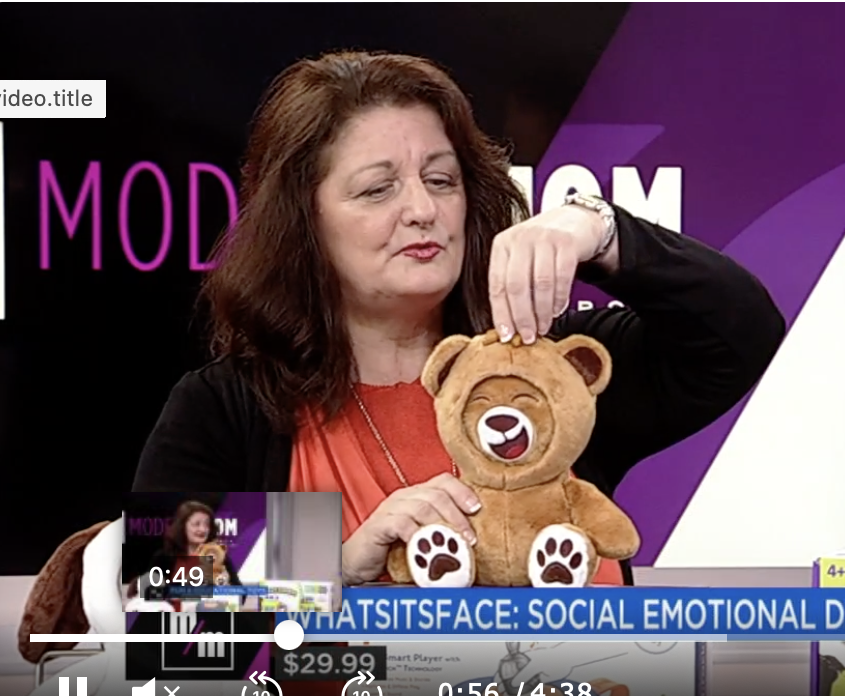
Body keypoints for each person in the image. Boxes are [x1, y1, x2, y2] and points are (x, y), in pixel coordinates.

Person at [132, 50, 785, 588]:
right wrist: (333, 567)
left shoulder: (548, 370)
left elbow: (739, 334)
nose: (421, 209)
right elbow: (164, 627)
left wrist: (599, 228)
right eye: (377, 188)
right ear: (304, 222)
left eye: (441, 180)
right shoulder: (231, 409)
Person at [145, 500, 243, 607]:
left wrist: (226, 586)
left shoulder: (218, 556)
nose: (203, 529)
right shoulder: (163, 557)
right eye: (196, 524)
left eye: (207, 525)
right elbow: (149, 593)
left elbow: (242, 595)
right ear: (182, 526)